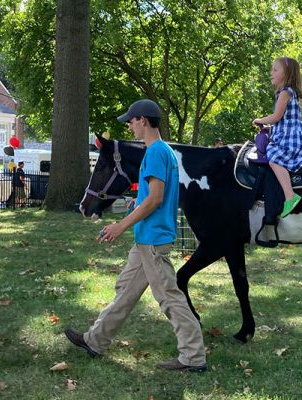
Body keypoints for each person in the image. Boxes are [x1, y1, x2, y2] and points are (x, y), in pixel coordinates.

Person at [64, 99, 207, 373]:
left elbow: (155, 199)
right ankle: (95, 340)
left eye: (131, 120)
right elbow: (153, 197)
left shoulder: (155, 153)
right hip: (146, 238)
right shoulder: (162, 151)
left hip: (152, 240)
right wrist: (134, 204)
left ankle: (193, 357)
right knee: (125, 291)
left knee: (169, 296)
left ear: (143, 120)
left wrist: (120, 226)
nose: (129, 125)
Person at [252, 56, 302, 218]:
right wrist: (270, 127)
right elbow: (283, 120)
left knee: (274, 158)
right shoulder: (289, 93)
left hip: (290, 139)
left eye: (275, 70)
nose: (271, 72)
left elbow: (277, 116)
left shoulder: (285, 93)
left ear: (287, 74)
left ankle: (290, 196)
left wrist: (260, 120)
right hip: (292, 135)